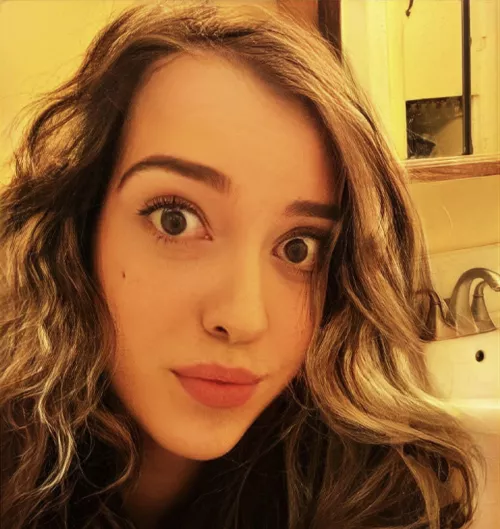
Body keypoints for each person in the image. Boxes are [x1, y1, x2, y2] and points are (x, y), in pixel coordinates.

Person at [0, 2, 486, 528]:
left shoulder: (369, 492)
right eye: (175, 219)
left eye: (299, 248)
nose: (243, 317)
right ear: (82, 227)